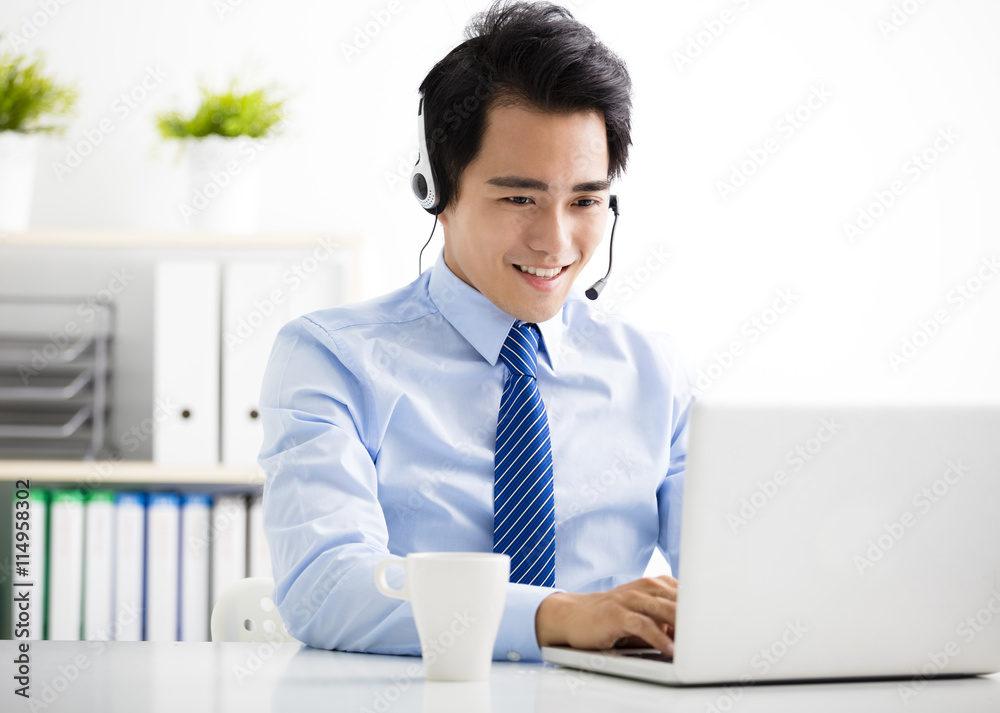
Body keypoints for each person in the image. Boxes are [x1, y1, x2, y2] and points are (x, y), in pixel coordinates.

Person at [258, 0, 693, 663]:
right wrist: (557, 616)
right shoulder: (330, 357)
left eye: (584, 201)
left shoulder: (651, 367)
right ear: (436, 189)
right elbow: (324, 586)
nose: (555, 241)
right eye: (519, 198)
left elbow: (737, 580)